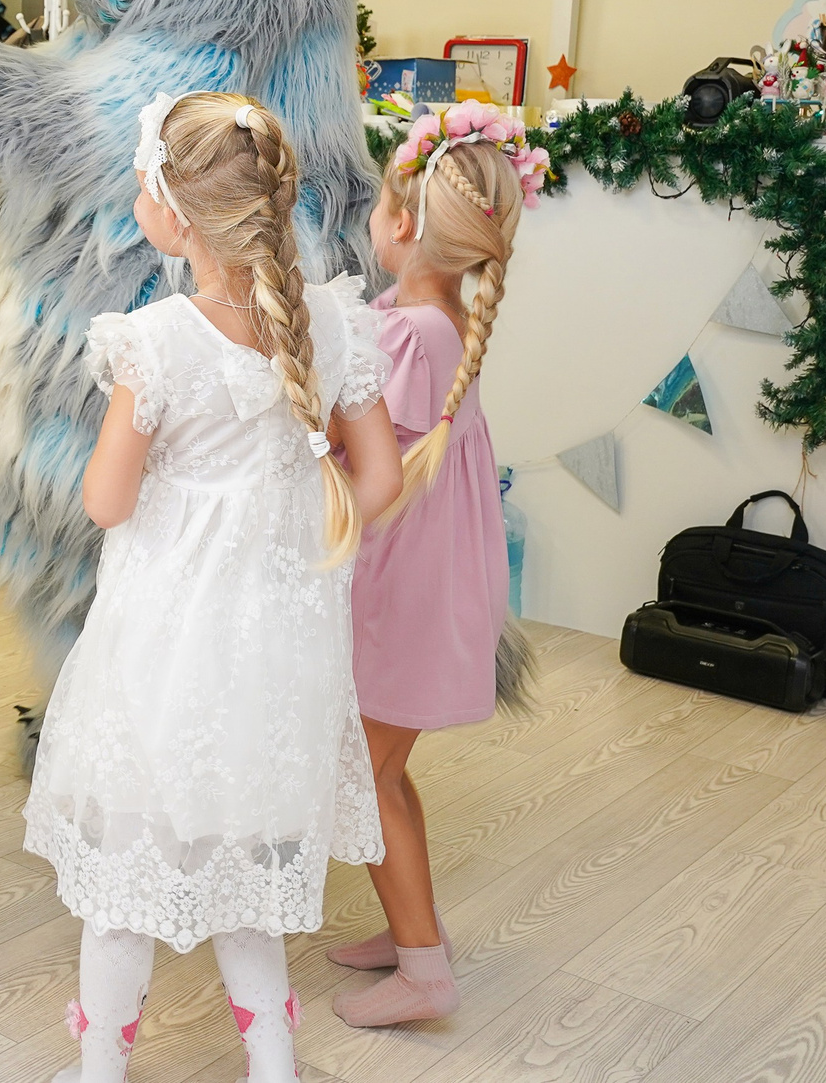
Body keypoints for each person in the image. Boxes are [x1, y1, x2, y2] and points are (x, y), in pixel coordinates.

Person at [25, 93, 403, 1083]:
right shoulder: (326, 319)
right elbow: (379, 478)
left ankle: (100, 1072)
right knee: (250, 861)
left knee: (127, 864)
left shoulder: (155, 340)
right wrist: (300, 530)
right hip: (282, 647)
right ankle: (273, 1065)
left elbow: (107, 501)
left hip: (167, 642)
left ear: (172, 214)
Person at [327, 102, 542, 1028]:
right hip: (426, 580)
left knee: (366, 773)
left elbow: (357, 454)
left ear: (405, 223)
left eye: (378, 204)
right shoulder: (438, 320)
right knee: (385, 768)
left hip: (400, 591)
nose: (370, 220)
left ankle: (424, 969)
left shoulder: (407, 334)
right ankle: (413, 930)